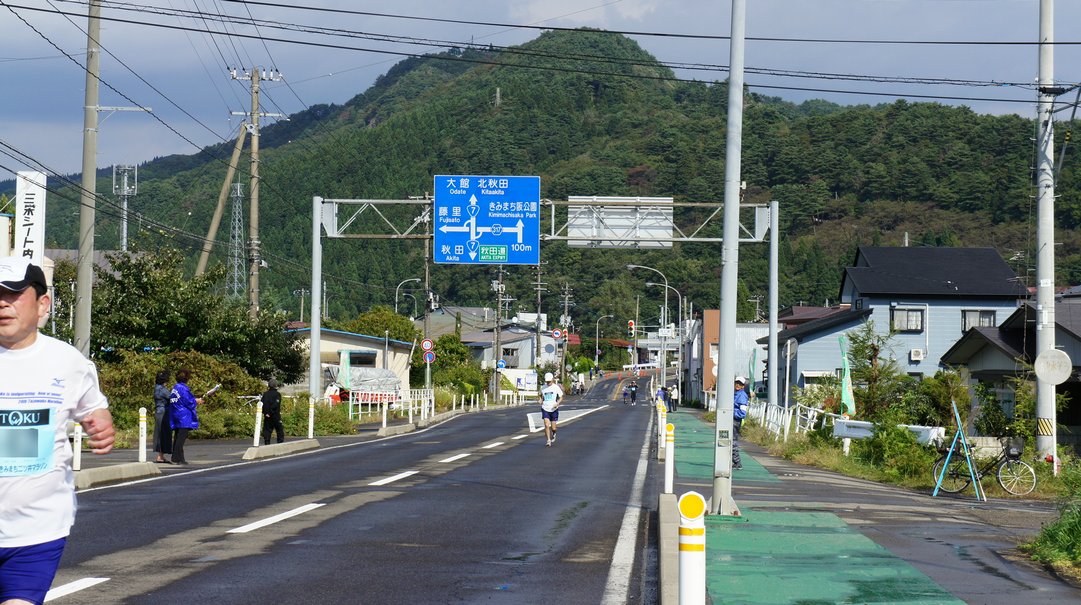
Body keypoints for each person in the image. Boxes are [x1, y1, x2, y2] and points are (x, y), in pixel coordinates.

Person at [0, 256, 115, 605]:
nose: (2, 303)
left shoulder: (68, 362)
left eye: (13, 293)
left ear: (42, 303)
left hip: (37, 529)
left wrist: (101, 422)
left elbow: (92, 406)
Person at [169, 369, 203, 465]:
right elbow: (188, 401)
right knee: (181, 438)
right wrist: (197, 401)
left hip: (175, 413)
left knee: (177, 436)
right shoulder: (184, 389)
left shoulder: (175, 388)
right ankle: (176, 457)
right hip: (184, 416)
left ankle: (181, 458)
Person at [152, 370, 173, 463]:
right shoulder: (162, 389)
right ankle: (160, 456)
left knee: (161, 433)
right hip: (163, 412)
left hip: (159, 412)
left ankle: (161, 455)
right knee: (163, 433)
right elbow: (171, 397)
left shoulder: (156, 388)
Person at [540, 372, 563, 447]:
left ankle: (554, 432)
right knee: (546, 425)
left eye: (549, 381)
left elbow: (561, 397)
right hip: (545, 408)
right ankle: (548, 440)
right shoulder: (543, 387)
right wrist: (540, 400)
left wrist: (557, 403)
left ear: (552, 380)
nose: (548, 382)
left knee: (553, 427)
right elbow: (540, 396)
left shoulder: (556, 387)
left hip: (554, 408)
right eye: (547, 381)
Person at [261, 378, 285, 445]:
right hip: (275, 415)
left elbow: (262, 404)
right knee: (279, 429)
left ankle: (267, 442)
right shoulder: (277, 394)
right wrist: (270, 412)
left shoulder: (265, 394)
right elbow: (276, 405)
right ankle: (280, 443)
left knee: (267, 430)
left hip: (267, 415)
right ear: (276, 385)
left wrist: (266, 413)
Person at [733, 376, 749, 470]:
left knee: (733, 441)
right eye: (737, 383)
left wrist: (731, 412)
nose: (738, 385)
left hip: (735, 420)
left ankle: (737, 462)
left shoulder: (742, 395)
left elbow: (742, 413)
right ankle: (735, 461)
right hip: (732, 419)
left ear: (743, 386)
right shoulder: (736, 394)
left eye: (740, 384)